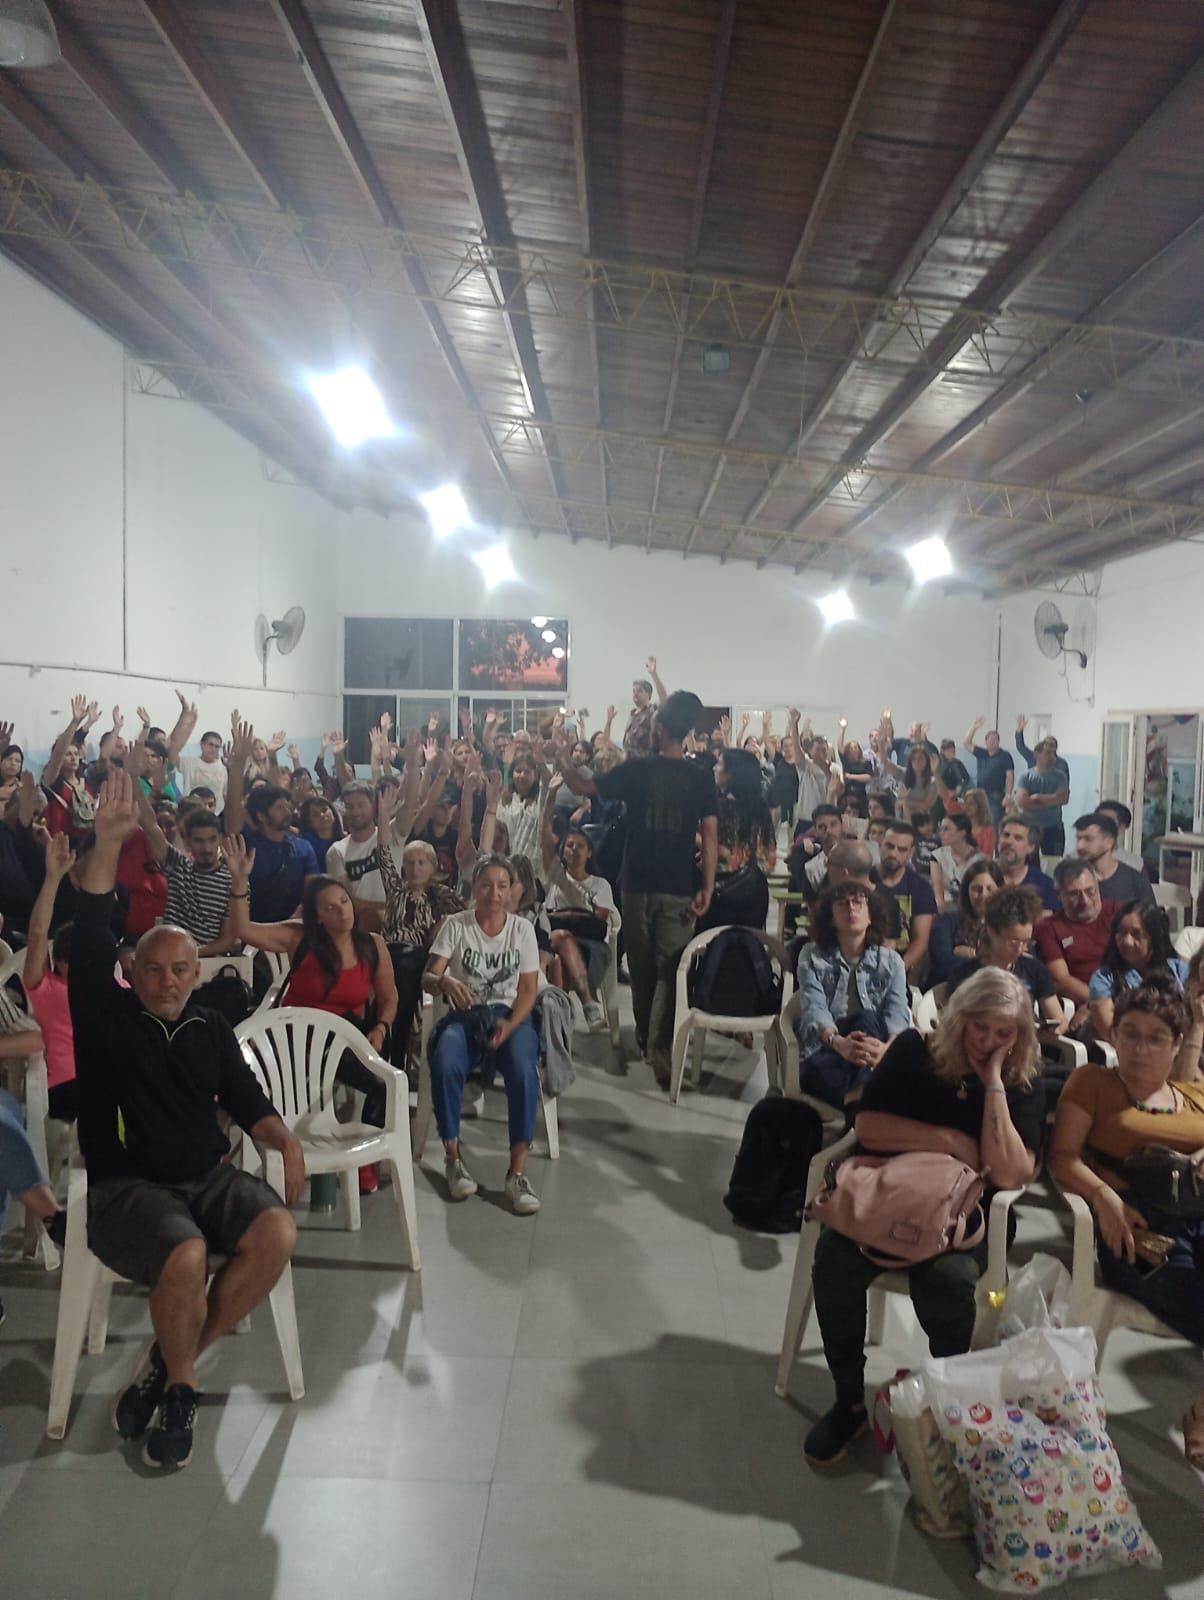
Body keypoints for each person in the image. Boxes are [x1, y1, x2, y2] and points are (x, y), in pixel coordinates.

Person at [69, 771, 303, 1470]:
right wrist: (108, 845)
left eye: (179, 969)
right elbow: (91, 940)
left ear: (196, 972)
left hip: (205, 1176)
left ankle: (168, 1365)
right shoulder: (107, 1019)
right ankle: (183, 1389)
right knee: (187, 1253)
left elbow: (247, 1101)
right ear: (134, 973)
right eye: (154, 970)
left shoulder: (209, 1027)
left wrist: (285, 1140)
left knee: (277, 1231)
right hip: (127, 1190)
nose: (168, 980)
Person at [805, 967, 1045, 1466]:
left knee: (948, 1278)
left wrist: (993, 1083)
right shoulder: (916, 1050)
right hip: (891, 1195)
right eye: (980, 1027)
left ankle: (945, 1399)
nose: (988, 1041)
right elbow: (869, 1126)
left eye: (1003, 1032)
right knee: (834, 1260)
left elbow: (1008, 1173)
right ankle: (848, 1400)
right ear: (961, 1018)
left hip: (968, 1215)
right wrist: (951, 1142)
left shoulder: (1021, 1078)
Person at [555, 690, 717, 1084]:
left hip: (637, 884)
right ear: (688, 731)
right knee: (670, 968)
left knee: (642, 968)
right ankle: (658, 1042)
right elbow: (710, 836)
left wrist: (560, 752)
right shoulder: (701, 776)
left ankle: (649, 1039)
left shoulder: (637, 770)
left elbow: (580, 783)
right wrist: (708, 885)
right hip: (679, 885)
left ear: (659, 728)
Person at [1048, 979, 1204, 1348]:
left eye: (1156, 1039)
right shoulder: (1094, 1082)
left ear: (1177, 1044)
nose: (1140, 1049)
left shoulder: (1193, 1094)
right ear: (1114, 1034)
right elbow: (1062, 1156)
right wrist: (1103, 1196)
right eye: (1130, 1034)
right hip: (1136, 1224)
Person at [423, 854, 543, 1215]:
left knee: (523, 1069)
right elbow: (428, 976)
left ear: (511, 891)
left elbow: (528, 990)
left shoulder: (522, 930)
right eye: (486, 885)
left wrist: (511, 1024)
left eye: (502, 886)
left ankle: (517, 1173)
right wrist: (444, 981)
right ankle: (453, 1157)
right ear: (474, 887)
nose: (494, 893)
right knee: (446, 1059)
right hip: (466, 1016)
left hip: (510, 1016)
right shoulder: (456, 925)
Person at [795, 882, 909, 1110]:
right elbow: (814, 1007)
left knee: (866, 1019)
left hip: (876, 1052)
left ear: (870, 916)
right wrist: (840, 1044)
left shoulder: (891, 962)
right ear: (830, 917)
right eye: (842, 904)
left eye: (858, 903)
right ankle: (864, 1101)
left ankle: (856, 1103)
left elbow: (897, 1014)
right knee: (820, 1072)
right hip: (827, 1048)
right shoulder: (812, 956)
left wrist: (886, 1050)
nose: (851, 908)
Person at [131, 751, 234, 954]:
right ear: (187, 841)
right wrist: (134, 777)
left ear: (220, 840)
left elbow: (228, 939)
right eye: (199, 841)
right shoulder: (178, 864)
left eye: (211, 840)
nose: (206, 848)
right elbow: (149, 824)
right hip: (169, 955)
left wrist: (189, 954)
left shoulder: (232, 880)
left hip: (207, 961)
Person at [224, 722, 318, 923]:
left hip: (293, 927)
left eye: (287, 807)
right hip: (252, 928)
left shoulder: (303, 848)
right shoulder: (247, 845)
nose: (287, 812)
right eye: (279, 808)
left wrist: (293, 921)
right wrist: (239, 763)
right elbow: (232, 808)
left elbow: (310, 892)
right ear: (261, 815)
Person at [541, 789, 617, 1032]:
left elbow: (599, 920)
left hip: (589, 947)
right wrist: (550, 795)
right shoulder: (555, 875)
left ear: (589, 852)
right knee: (560, 938)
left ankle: (557, 1029)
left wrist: (562, 916)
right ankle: (588, 1005)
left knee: (559, 962)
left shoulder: (599, 884)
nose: (574, 850)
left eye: (580, 846)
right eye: (569, 845)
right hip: (554, 940)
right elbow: (545, 835)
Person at [14, 832, 79, 1120]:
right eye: (75, 958)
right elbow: (38, 933)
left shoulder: (115, 984)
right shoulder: (45, 986)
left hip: (112, 1078)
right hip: (68, 1086)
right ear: (59, 962)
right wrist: (53, 879)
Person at [947, 886, 1067, 1040]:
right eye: (1013, 942)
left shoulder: (1034, 969)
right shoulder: (965, 976)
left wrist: (1051, 1032)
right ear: (991, 932)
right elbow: (955, 1027)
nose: (1020, 949)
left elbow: (1059, 1019)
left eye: (1026, 942)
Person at [1035, 859, 1117, 1033]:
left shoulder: (1118, 914)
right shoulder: (1049, 928)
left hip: (1125, 997)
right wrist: (1098, 1003)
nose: (1085, 901)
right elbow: (1061, 979)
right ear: (1059, 895)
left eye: (1090, 891)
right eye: (1074, 894)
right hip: (1086, 1003)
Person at [1087, 900, 1186, 1043]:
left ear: (1154, 936)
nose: (1127, 941)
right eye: (1121, 932)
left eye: (1136, 934)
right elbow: (1111, 1032)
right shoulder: (1103, 978)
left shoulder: (1179, 970)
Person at [700, 746, 775, 931]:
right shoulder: (761, 808)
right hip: (755, 889)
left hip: (723, 891)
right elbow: (769, 857)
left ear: (731, 774)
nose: (714, 768)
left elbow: (726, 853)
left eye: (719, 764)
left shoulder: (721, 808)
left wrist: (696, 838)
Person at [871, 822, 937, 979]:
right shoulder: (864, 880)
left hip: (901, 966)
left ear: (911, 853)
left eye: (901, 849)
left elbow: (921, 940)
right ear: (880, 844)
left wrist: (898, 969)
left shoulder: (921, 887)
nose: (893, 853)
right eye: (889, 846)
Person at [927, 858, 1004, 989]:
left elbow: (1019, 964)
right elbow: (942, 964)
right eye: (976, 889)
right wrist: (992, 960)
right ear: (966, 891)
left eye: (990, 889)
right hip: (948, 990)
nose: (983, 895)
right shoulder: (947, 921)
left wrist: (975, 955)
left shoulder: (1008, 925)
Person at [326, 784, 387, 932]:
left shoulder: (389, 836)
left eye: (361, 805)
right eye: (349, 806)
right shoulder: (336, 851)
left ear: (373, 806)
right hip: (362, 927)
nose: (355, 812)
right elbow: (347, 900)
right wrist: (386, 907)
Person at [41, 695, 101, 841]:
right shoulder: (53, 782)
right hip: (60, 845)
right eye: (68, 754)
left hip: (85, 846)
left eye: (76, 754)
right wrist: (75, 722)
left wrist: (89, 724)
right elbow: (58, 754)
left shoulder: (85, 782)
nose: (73, 757)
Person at [1074, 811, 1154, 905]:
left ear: (1109, 842)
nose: (1080, 846)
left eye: (1088, 839)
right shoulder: (1071, 879)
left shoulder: (1135, 880)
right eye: (1078, 839)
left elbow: (1150, 913)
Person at [1015, 738, 1070, 857]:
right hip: (1030, 828)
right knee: (1029, 861)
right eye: (1047, 753)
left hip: (1053, 828)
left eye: (1053, 753)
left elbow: (1063, 799)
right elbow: (1021, 802)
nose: (1052, 756)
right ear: (1037, 754)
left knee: (1054, 861)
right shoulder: (1025, 776)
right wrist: (1052, 800)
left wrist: (1037, 798)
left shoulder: (1060, 776)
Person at [997, 816, 1057, 912]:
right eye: (1006, 835)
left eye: (1018, 838)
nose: (1009, 841)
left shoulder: (1045, 886)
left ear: (1031, 847)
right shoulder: (982, 876)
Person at [963, 717, 1014, 827]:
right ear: (986, 742)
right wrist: (974, 728)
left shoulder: (1005, 756)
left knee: (994, 824)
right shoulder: (981, 753)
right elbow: (966, 743)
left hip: (996, 796)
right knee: (979, 822)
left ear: (998, 742)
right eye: (990, 740)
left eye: (995, 740)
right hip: (980, 795)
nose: (992, 742)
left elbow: (1010, 776)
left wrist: (1008, 795)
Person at [930, 813, 982, 912]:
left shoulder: (979, 860)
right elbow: (938, 891)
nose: (941, 833)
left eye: (946, 829)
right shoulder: (937, 856)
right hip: (945, 907)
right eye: (941, 829)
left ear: (962, 833)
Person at [622, 656, 666, 758]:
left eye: (639, 691)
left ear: (649, 694)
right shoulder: (632, 713)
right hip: (628, 759)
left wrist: (654, 675)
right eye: (634, 691)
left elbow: (664, 698)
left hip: (646, 758)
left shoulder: (652, 709)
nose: (635, 694)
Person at [177, 727, 228, 814]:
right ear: (202, 744)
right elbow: (172, 753)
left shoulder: (224, 767)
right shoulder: (188, 763)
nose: (213, 749)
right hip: (191, 814)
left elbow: (226, 794)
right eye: (210, 745)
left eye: (217, 747)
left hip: (216, 816)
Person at [1097, 800, 1144, 875]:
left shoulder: (1134, 864)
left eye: (1109, 821)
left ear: (1122, 828)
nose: (1103, 825)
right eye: (1099, 820)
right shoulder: (1079, 858)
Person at [298, 795, 342, 871]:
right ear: (308, 822)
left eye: (324, 810)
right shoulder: (306, 847)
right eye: (315, 815)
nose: (322, 815)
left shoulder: (346, 840)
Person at [960, 788, 996, 858]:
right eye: (966, 803)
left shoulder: (989, 830)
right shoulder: (961, 827)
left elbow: (987, 856)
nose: (966, 807)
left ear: (980, 806)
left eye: (971, 804)